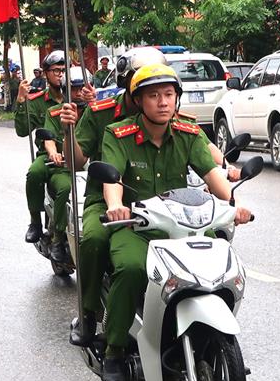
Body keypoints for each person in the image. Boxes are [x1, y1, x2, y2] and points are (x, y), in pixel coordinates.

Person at [61, 47, 240, 347]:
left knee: (216, 248)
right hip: (115, 205)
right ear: (132, 87)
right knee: (97, 242)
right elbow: (80, 165)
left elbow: (203, 149)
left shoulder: (173, 117)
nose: (161, 99)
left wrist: (228, 177)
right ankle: (91, 311)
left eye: (166, 92)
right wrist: (68, 133)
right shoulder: (106, 119)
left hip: (173, 210)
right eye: (149, 89)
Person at [93, 63, 253, 381]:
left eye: (168, 94)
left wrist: (233, 207)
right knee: (132, 269)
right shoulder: (118, 134)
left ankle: (210, 340)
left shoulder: (189, 134)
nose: (163, 102)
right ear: (138, 101)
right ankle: (114, 351)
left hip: (183, 226)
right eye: (153, 96)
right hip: (138, 225)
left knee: (219, 266)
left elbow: (213, 176)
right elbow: (114, 182)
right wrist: (114, 207)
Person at [18, 51, 95, 243]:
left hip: (84, 160)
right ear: (45, 73)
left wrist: (92, 102)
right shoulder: (48, 108)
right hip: (52, 158)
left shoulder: (91, 108)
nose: (61, 74)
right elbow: (27, 132)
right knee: (34, 173)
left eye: (64, 70)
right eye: (56, 70)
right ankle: (36, 221)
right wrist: (21, 101)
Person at [40, 67, 88, 262]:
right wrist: (53, 154)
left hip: (92, 169)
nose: (78, 93)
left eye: (81, 88)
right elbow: (49, 138)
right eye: (73, 89)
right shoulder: (55, 112)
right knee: (65, 190)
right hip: (64, 167)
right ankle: (58, 237)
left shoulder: (96, 112)